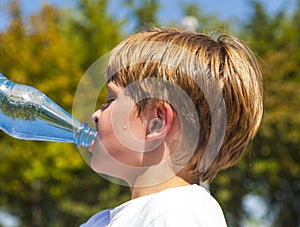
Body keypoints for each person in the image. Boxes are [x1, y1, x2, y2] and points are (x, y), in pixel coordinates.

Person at [80, 27, 263, 227]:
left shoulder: (176, 214)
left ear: (156, 123)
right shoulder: (103, 221)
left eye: (110, 100)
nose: (95, 115)